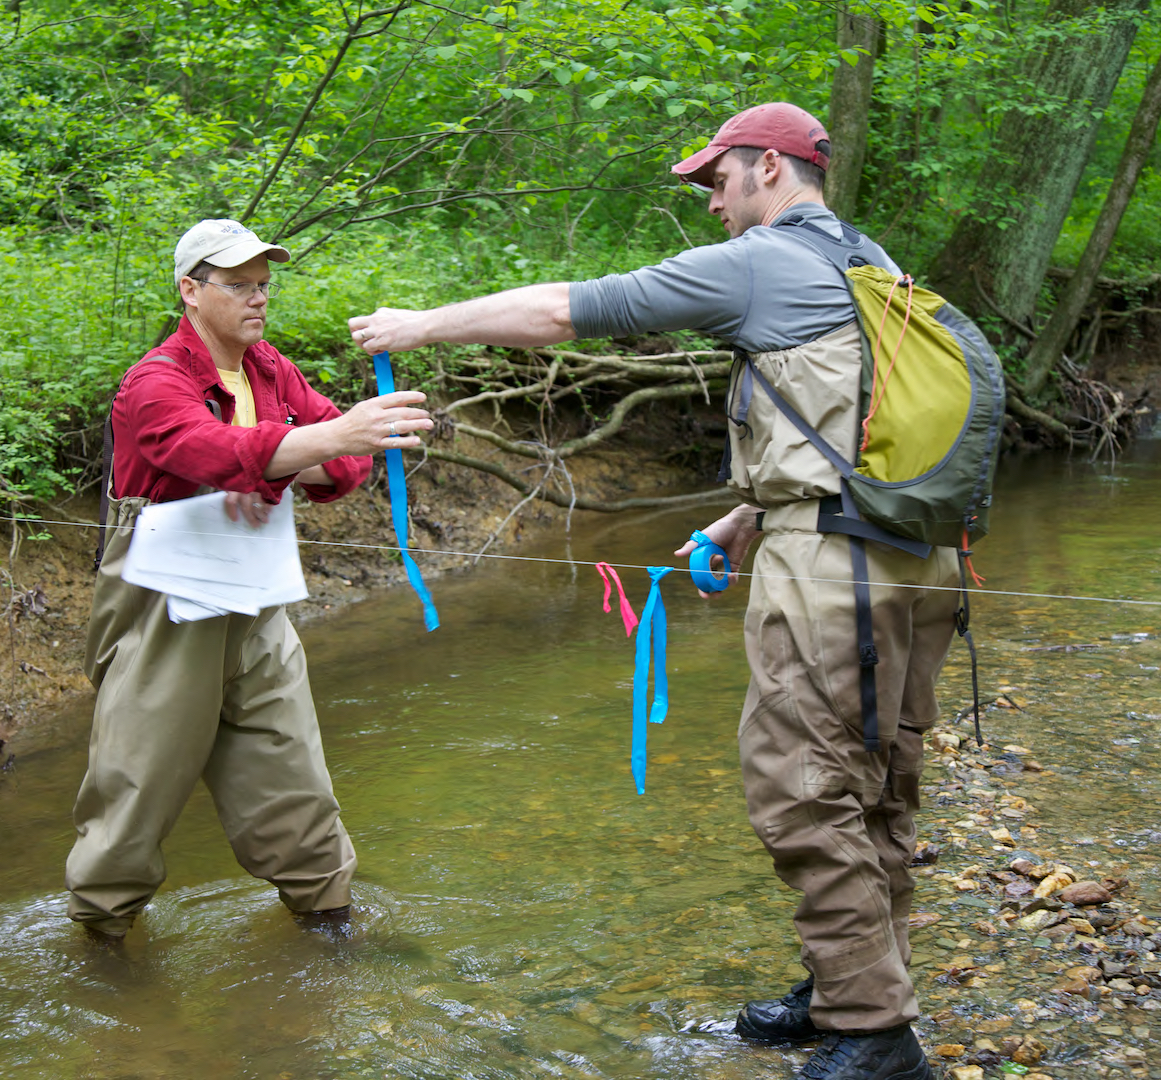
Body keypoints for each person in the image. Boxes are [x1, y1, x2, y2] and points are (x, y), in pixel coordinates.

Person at [346, 104, 958, 1080]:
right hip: (913, 555)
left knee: (803, 783)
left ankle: (875, 1033)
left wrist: (420, 327)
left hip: (832, 566)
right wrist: (742, 518)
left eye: (718, 177)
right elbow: (855, 430)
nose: (711, 200)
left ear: (770, 167)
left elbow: (568, 312)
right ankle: (849, 987)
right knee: (875, 782)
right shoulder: (869, 263)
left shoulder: (763, 262)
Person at [66, 218, 434, 941]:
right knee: (135, 791)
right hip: (164, 613)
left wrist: (297, 455)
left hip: (258, 603)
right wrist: (313, 444)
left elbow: (347, 466)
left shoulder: (270, 368)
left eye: (263, 285)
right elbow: (199, 448)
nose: (258, 298)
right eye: (238, 285)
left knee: (294, 777)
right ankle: (101, 950)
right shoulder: (154, 380)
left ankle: (331, 930)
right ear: (190, 290)